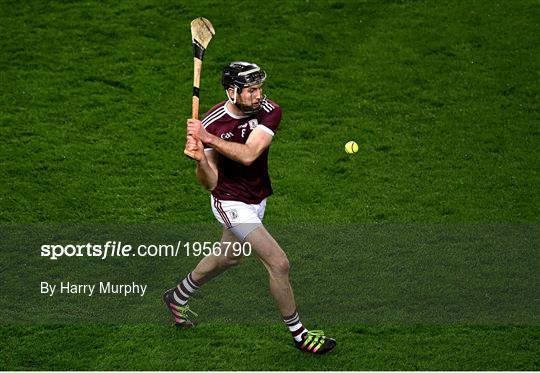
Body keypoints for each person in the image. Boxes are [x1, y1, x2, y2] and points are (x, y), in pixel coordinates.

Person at [163, 61, 336, 354]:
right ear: (232, 91)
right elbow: (209, 183)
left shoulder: (269, 111)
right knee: (278, 263)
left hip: (257, 198)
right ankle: (300, 335)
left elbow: (249, 155)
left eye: (260, 88)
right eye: (251, 90)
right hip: (229, 201)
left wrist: (206, 138)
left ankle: (177, 297)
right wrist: (201, 159)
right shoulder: (214, 121)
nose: (259, 95)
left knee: (228, 257)